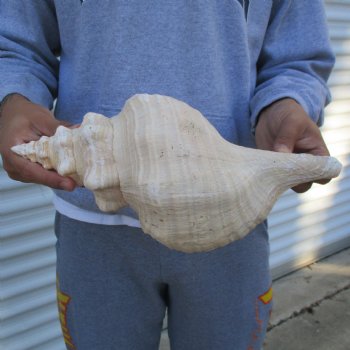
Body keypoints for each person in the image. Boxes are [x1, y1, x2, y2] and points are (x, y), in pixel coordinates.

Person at [0, 1, 334, 349]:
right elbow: (16, 45)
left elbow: (295, 59)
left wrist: (284, 103)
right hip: (91, 231)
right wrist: (13, 96)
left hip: (227, 218)